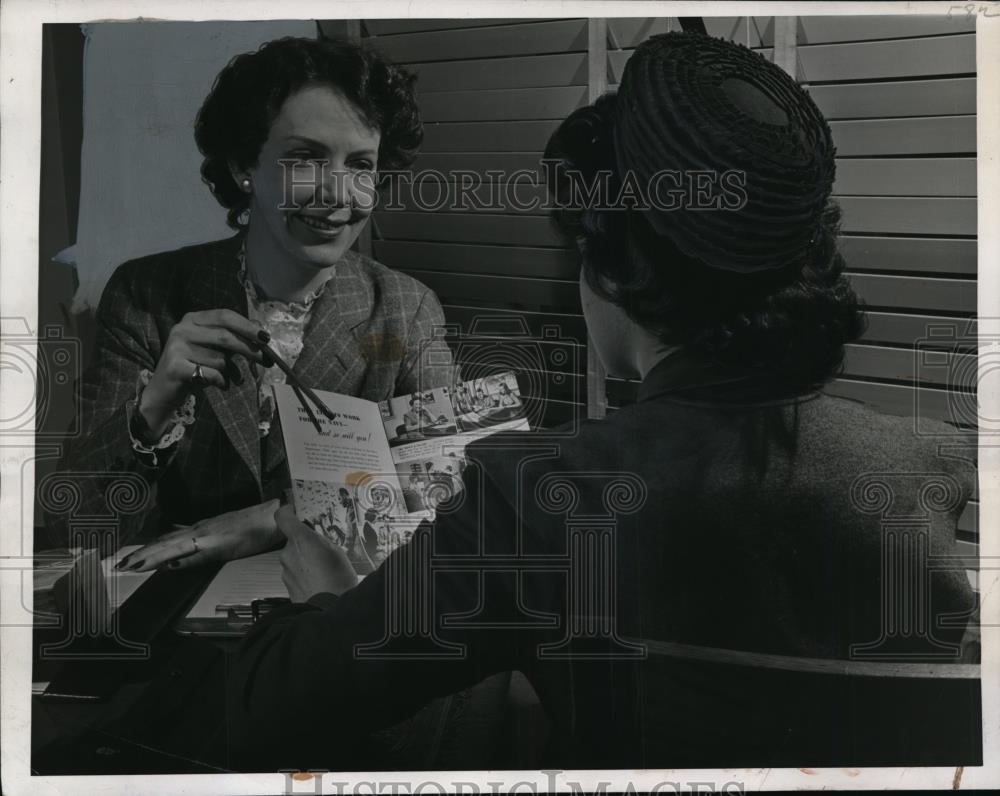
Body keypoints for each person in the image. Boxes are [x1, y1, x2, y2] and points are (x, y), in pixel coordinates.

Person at [226, 33, 977, 770]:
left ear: (614, 269)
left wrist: (325, 604)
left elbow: (275, 707)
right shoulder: (926, 469)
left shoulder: (531, 500)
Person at [44, 36, 455, 568]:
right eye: (304, 159)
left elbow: (441, 493)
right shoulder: (145, 295)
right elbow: (77, 524)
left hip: (331, 613)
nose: (338, 193)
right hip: (176, 610)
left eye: (360, 165)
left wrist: (270, 520)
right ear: (244, 166)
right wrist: (152, 410)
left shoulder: (406, 308)